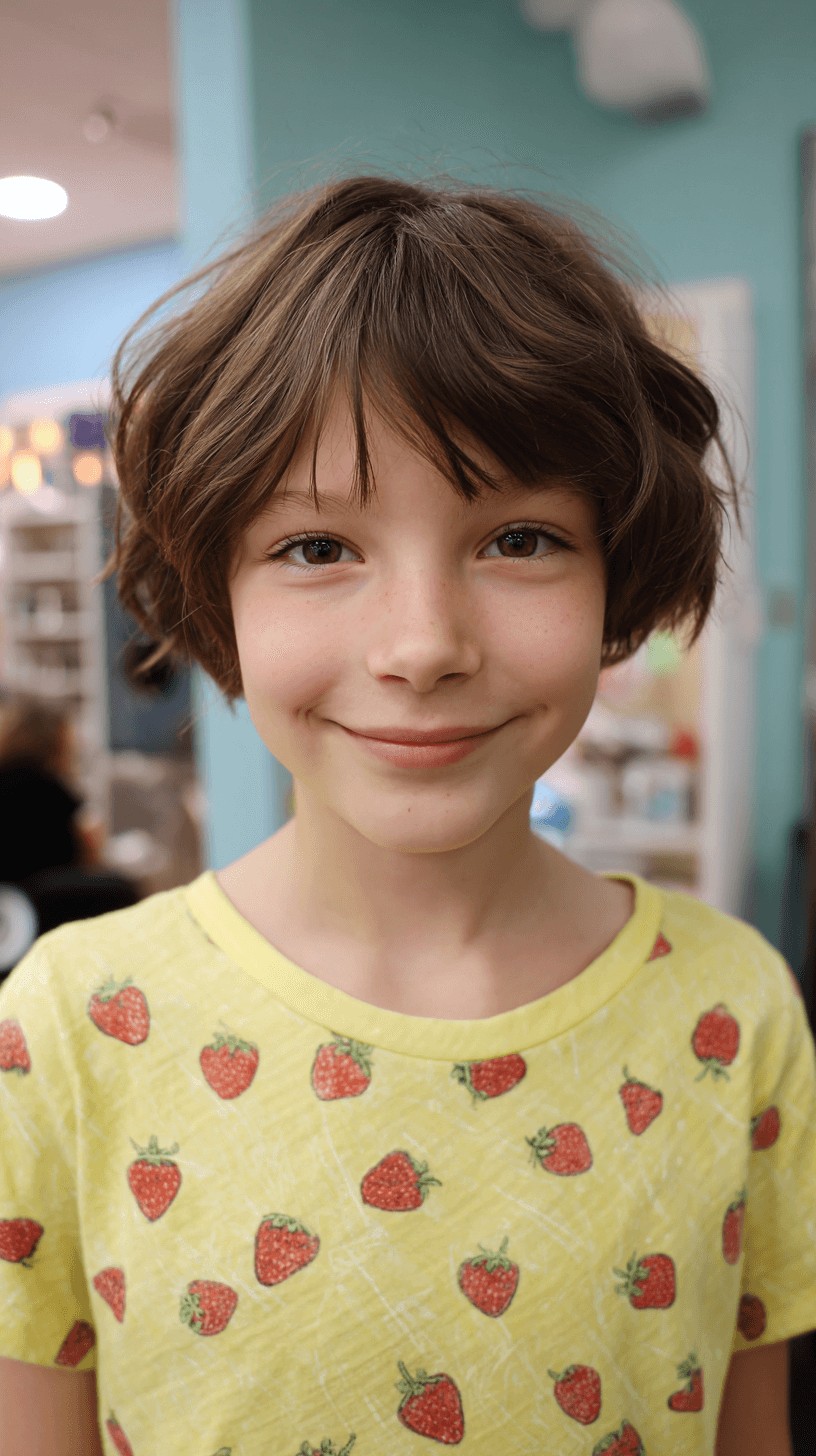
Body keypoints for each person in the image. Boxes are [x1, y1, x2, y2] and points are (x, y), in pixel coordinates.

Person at [1, 175, 814, 1456]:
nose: (423, 645)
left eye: (522, 538)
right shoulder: (72, 1024)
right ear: (219, 587)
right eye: (317, 548)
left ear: (619, 574)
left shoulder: (734, 1013)